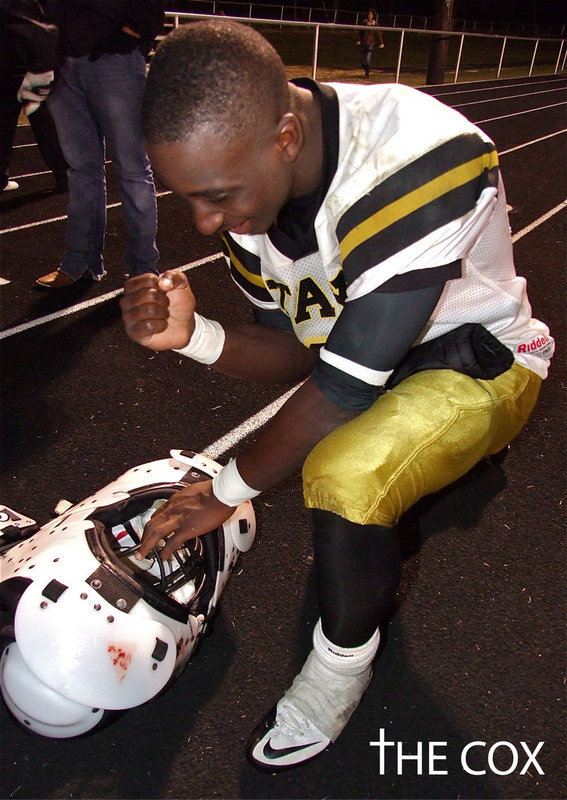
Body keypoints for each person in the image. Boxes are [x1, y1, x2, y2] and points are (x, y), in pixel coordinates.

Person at [120, 20, 554, 771]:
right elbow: (298, 348)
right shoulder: (250, 180)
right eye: (188, 198)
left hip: (477, 362)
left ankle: (340, 672)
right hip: (366, 368)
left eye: (216, 197)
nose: (204, 223)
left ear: (285, 136)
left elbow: (340, 389)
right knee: (346, 454)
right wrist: (191, 336)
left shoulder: (411, 154)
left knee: (342, 473)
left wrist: (222, 491)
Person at [35, 0, 164, 289]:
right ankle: (80, 262)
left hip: (114, 59)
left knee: (132, 170)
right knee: (80, 172)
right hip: (59, 64)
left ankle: (143, 269)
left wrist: (130, 33)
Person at [0, 0, 67, 193]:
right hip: (26, 56)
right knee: (44, 119)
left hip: (11, 54)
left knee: (6, 119)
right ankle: (65, 176)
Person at [357, 8, 384, 79]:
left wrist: (380, 42)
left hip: (370, 43)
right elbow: (360, 32)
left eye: (370, 14)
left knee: (367, 59)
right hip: (364, 43)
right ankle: (366, 71)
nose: (369, 16)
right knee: (362, 61)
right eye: (368, 14)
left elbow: (378, 34)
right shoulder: (364, 22)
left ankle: (367, 73)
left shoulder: (375, 24)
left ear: (373, 16)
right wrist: (359, 40)